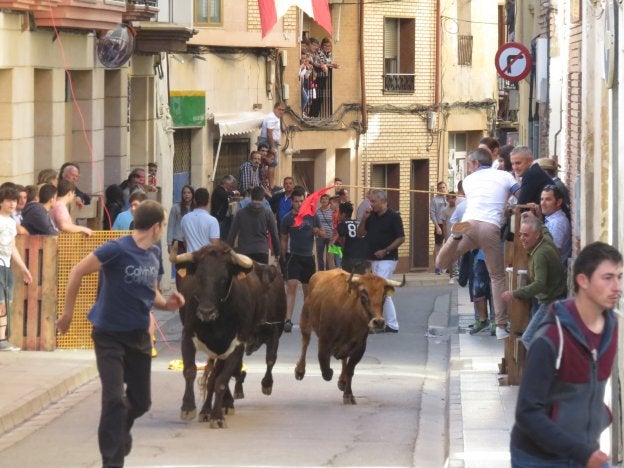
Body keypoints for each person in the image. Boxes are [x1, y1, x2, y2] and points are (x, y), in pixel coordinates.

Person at [56, 200, 185, 467]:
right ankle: (112, 460)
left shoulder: (152, 254)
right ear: (156, 226)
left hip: (138, 335)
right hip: (109, 334)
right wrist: (67, 314)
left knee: (141, 402)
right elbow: (77, 271)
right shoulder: (117, 248)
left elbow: (151, 292)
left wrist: (167, 304)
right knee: (114, 398)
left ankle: (119, 429)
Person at [510, 242, 621, 468]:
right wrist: (581, 452)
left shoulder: (611, 327)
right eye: (608, 278)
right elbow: (526, 413)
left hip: (585, 452)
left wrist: (601, 416)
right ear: (583, 281)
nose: (617, 286)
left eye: (620, 277)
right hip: (539, 459)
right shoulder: (550, 338)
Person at [436, 147, 520, 339]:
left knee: (444, 262)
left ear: (475, 164)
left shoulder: (467, 181)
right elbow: (520, 193)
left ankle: (453, 239)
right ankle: (500, 325)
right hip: (490, 227)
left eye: (469, 165)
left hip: (469, 223)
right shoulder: (506, 176)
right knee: (497, 277)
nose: (468, 169)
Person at [501, 216, 566, 347]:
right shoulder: (545, 239)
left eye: (526, 235)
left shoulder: (540, 255)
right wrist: (534, 217)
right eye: (520, 235)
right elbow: (545, 230)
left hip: (552, 301)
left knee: (529, 338)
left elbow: (539, 284)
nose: (522, 239)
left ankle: (541, 366)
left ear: (536, 235)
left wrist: (514, 293)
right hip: (552, 298)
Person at [357, 189, 405, 333]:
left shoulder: (393, 217)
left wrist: (386, 250)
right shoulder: (371, 216)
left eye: (373, 202)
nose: (371, 205)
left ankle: (392, 323)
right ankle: (381, 322)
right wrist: (364, 219)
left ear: (382, 201)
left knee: (380, 290)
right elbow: (360, 233)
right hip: (373, 259)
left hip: (388, 259)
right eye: (370, 201)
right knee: (377, 291)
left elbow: (401, 238)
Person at [280, 187, 324, 333]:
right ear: (292, 202)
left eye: (301, 201)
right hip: (294, 256)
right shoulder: (287, 218)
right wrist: (282, 255)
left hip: (308, 258)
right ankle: (287, 320)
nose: (299, 204)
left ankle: (307, 319)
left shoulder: (312, 215)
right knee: (291, 286)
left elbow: (323, 233)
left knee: (307, 291)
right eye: (296, 201)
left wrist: (318, 231)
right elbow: (284, 239)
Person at [0, 187, 33, 351]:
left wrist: (24, 268)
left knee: (7, 301)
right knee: (1, 302)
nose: (13, 203)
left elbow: (13, 248)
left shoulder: (12, 223)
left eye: (14, 200)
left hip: (7, 266)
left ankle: (3, 338)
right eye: (9, 200)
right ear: (1, 202)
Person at [227, 186, 280, 264]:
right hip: (261, 251)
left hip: (244, 251)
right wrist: (277, 252)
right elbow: (274, 234)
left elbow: (232, 234)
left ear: (251, 197)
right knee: (261, 275)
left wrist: (229, 251)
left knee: (245, 276)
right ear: (263, 198)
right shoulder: (268, 213)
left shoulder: (240, 213)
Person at [181, 188, 220, 253]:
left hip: (191, 259)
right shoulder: (213, 221)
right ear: (208, 201)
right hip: (207, 260)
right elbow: (215, 245)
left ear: (194, 201)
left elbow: (185, 242)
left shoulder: (185, 218)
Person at [258, 102, 286, 187]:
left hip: (269, 141)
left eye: (283, 110)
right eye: (279, 109)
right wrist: (273, 146)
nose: (281, 111)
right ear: (274, 108)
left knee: (268, 163)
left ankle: (268, 184)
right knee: (272, 163)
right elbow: (269, 132)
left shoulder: (274, 117)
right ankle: (271, 185)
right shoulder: (272, 117)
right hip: (269, 142)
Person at [337, 202, 370, 274]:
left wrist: (341, 252)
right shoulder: (358, 222)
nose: (338, 215)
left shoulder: (341, 224)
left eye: (339, 213)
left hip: (349, 256)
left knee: (349, 280)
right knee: (359, 280)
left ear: (343, 214)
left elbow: (343, 241)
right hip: (362, 256)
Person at [210, 175, 238, 241]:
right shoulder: (218, 190)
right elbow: (225, 195)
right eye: (230, 186)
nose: (231, 188)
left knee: (224, 234)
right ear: (226, 184)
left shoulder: (223, 190)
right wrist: (234, 192)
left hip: (224, 217)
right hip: (218, 217)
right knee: (219, 235)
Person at [430, 181, 448, 274]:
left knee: (449, 245)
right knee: (438, 246)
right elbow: (432, 214)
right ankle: (437, 267)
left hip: (448, 224)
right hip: (440, 224)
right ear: (438, 189)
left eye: (443, 187)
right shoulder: (434, 200)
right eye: (440, 188)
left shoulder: (450, 198)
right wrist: (437, 227)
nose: (442, 189)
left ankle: (449, 267)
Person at [315, 193, 334, 271]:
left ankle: (329, 272)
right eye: (322, 199)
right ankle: (321, 271)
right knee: (319, 256)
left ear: (329, 201)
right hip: (320, 236)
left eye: (326, 198)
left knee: (330, 257)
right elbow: (315, 223)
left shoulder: (332, 211)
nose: (324, 200)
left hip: (331, 237)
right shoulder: (317, 211)